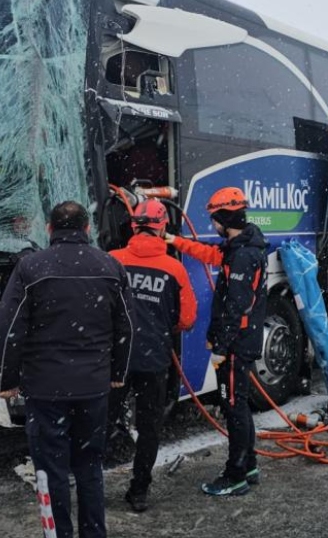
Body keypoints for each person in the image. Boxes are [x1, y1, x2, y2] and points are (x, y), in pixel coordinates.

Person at [0, 201, 133, 538]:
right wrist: (118, 373)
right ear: (87, 230)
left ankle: (57, 534)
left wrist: (5, 379)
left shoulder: (30, 267)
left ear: (49, 229)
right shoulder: (111, 266)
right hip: (94, 388)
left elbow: (8, 327)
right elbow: (127, 326)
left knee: (50, 471)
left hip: (45, 389)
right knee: (89, 467)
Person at [164, 187, 267, 497]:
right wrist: (174, 241)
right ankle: (248, 465)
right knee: (240, 404)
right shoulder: (239, 247)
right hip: (239, 343)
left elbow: (236, 308)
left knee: (233, 406)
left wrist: (220, 349)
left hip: (235, 346)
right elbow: (209, 254)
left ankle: (235, 475)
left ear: (224, 217)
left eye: (214, 219)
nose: (212, 225)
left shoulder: (243, 256)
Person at [108, 199, 197, 512]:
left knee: (101, 424)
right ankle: (139, 491)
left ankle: (89, 484)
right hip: (154, 360)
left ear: (134, 226)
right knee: (149, 428)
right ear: (162, 229)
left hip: (116, 361)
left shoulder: (112, 261)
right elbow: (187, 319)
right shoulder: (174, 268)